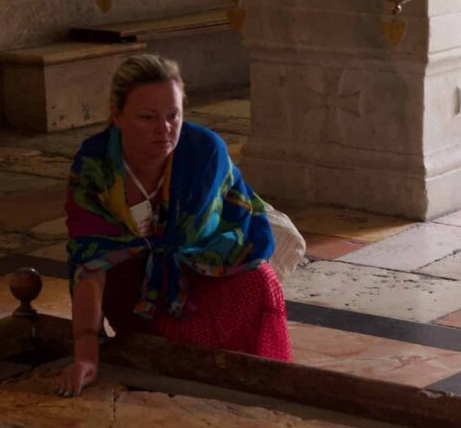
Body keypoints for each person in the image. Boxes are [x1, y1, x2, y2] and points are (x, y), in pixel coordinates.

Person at [57, 54, 292, 398]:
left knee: (260, 280)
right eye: (147, 117)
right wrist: (86, 356)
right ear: (116, 115)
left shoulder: (204, 153)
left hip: (200, 271)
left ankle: (250, 383)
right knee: (166, 344)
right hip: (134, 289)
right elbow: (90, 263)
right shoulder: (96, 166)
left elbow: (236, 227)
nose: (164, 128)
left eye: (173, 115)